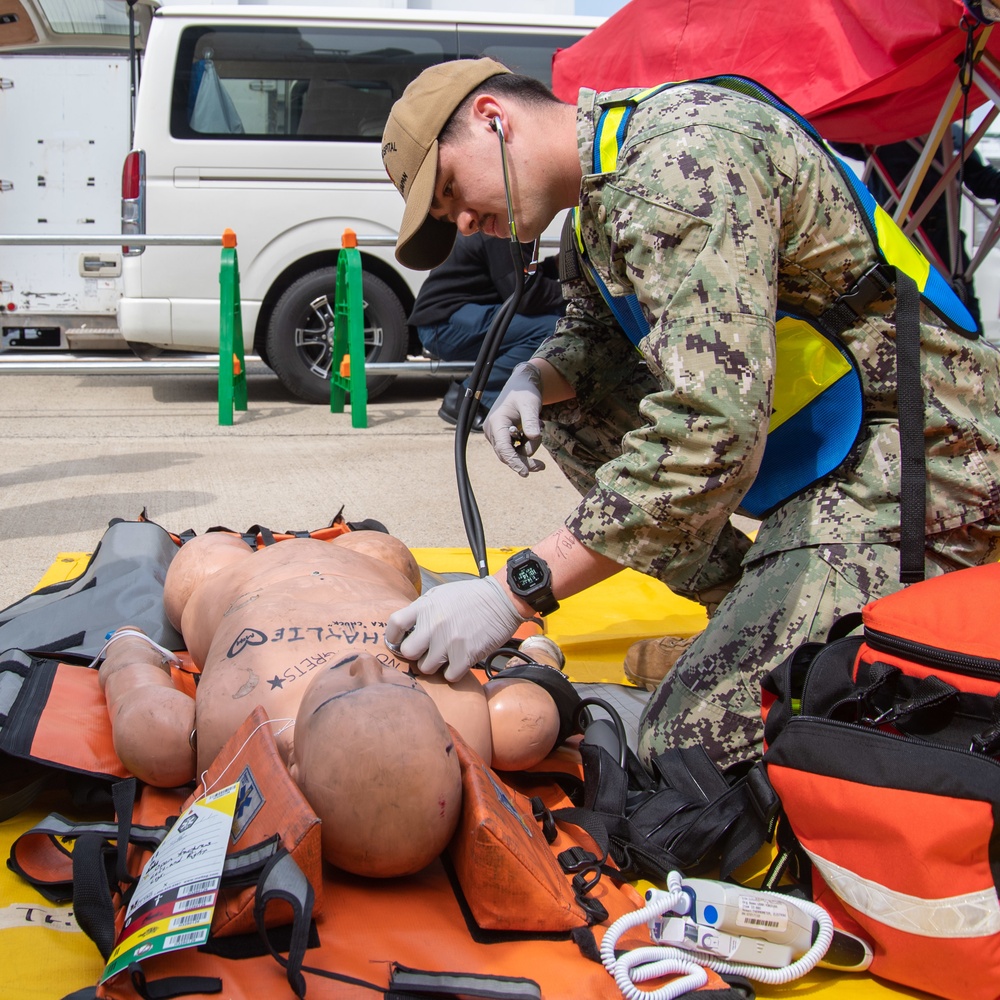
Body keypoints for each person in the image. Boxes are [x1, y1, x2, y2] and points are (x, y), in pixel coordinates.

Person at [379, 58, 1000, 777]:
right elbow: (596, 335)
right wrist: (533, 377)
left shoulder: (681, 161)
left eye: (452, 190)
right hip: (836, 435)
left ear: (493, 117)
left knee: (691, 749)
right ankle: (752, 609)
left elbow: (708, 431)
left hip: (929, 454)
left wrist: (515, 589)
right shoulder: (600, 194)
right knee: (572, 410)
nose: (462, 222)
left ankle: (804, 641)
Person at [99, 529, 562, 878]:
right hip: (367, 564)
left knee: (203, 556)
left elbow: (143, 710)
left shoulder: (233, 746)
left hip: (233, 576)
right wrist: (536, 645)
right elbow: (534, 702)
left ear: (295, 766)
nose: (366, 664)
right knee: (384, 547)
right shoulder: (478, 727)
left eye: (346, 691)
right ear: (448, 747)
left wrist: (128, 649)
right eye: (404, 687)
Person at [835, 126, 1000, 328]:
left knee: (964, 316)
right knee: (903, 316)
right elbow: (838, 137)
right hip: (899, 241)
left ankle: (974, 358)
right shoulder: (884, 132)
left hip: (946, 245)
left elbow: (981, 180)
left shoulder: (953, 136)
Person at [408, 231, 565, 430]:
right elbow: (525, 294)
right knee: (552, 328)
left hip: (454, 316)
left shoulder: (505, 225)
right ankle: (471, 400)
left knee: (549, 323)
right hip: (443, 323)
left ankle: (480, 395)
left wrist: (554, 266)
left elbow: (517, 277)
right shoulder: (501, 232)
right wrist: (576, 291)